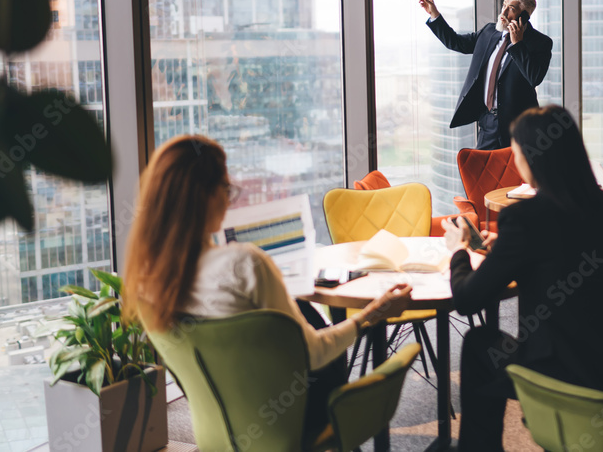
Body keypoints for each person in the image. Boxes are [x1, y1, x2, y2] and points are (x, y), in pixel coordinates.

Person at [121, 135, 411, 437]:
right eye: (225, 187)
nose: (228, 196)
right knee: (307, 316)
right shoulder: (244, 264)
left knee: (299, 308)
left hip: (217, 428)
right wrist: (372, 314)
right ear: (203, 196)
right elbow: (313, 355)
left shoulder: (147, 283)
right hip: (295, 420)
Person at [444, 106, 603, 452]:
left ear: (531, 157)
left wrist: (459, 251)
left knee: (479, 344)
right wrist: (511, 251)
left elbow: (468, 300)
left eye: (516, 155)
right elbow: (561, 252)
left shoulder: (524, 217)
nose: (516, 163)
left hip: (569, 373)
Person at [420, 0, 553, 149]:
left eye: (511, 8)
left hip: (519, 128)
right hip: (488, 123)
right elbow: (455, 42)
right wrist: (434, 13)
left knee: (515, 174)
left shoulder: (540, 43)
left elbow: (534, 77)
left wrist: (517, 44)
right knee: (482, 172)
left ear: (525, 16)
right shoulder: (489, 32)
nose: (503, 12)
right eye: (504, 4)